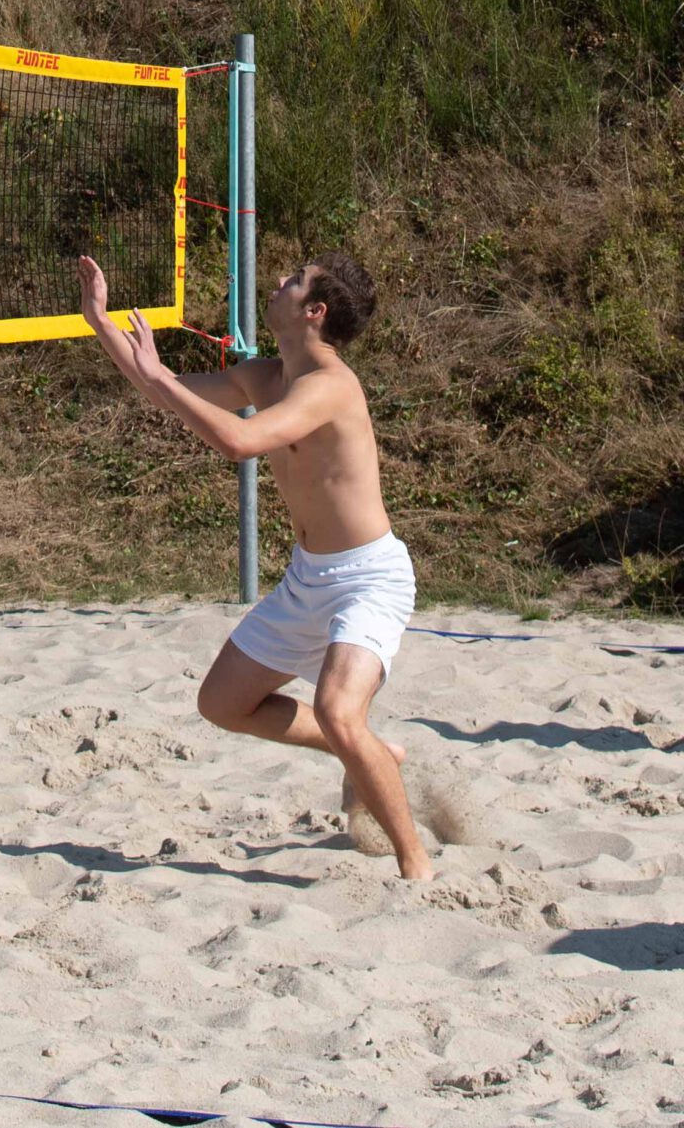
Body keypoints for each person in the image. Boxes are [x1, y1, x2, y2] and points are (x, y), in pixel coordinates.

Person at [77, 251, 432, 880]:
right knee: (221, 703)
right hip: (307, 579)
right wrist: (100, 321)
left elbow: (238, 441)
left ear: (313, 312)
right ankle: (375, 754)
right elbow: (166, 392)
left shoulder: (328, 385)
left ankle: (415, 865)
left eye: (292, 283)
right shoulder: (265, 375)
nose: (276, 284)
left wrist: (158, 376)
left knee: (338, 710)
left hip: (368, 578)